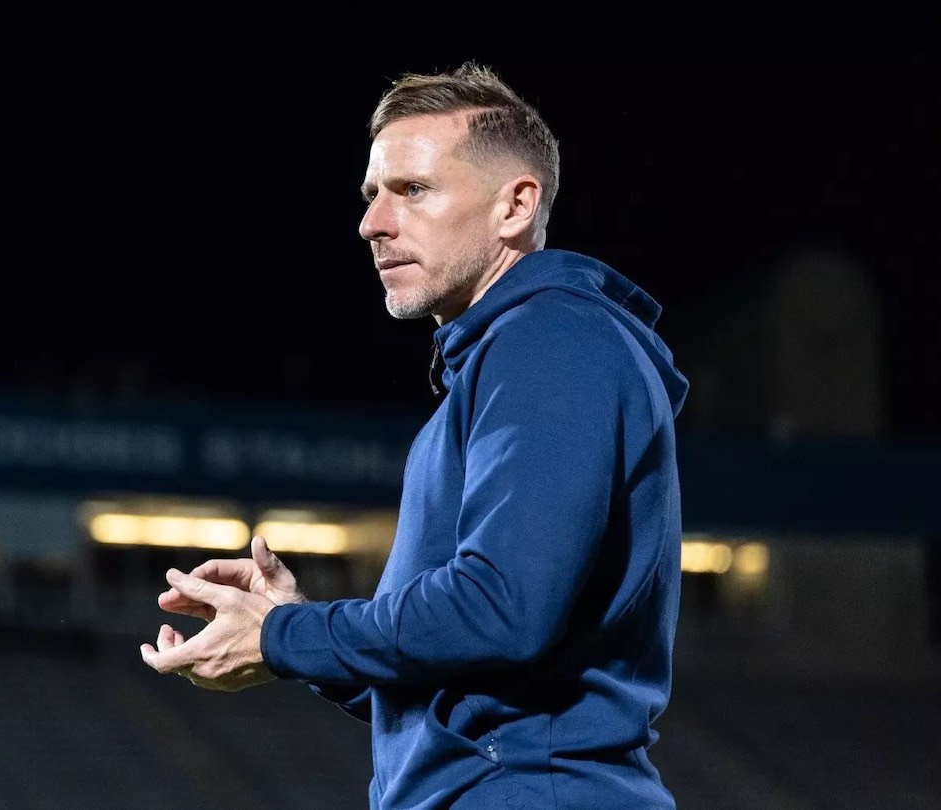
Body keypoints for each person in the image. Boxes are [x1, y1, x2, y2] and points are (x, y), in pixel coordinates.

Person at [140, 61, 689, 809]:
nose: (372, 223)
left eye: (414, 190)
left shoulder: (553, 343)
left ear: (515, 206)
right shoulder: (503, 362)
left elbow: (501, 609)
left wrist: (286, 634)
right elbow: (456, 694)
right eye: (372, 194)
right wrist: (289, 629)